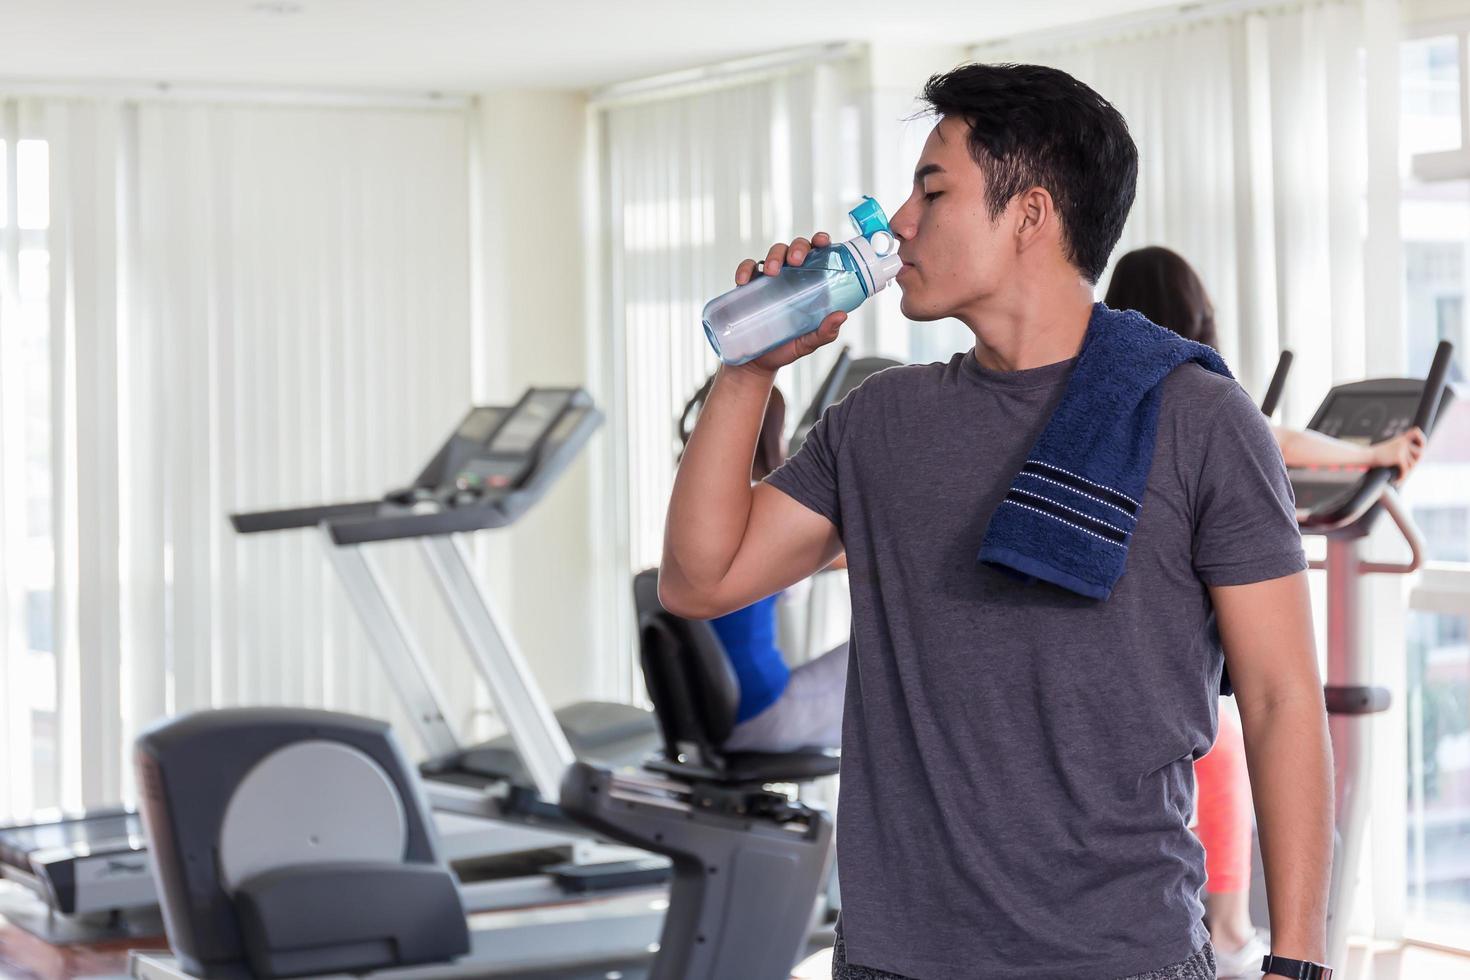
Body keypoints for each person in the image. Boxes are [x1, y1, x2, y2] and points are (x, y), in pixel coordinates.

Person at [663, 62, 1335, 980]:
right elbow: (700, 581)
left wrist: (1299, 961)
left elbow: (1280, 696)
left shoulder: (1197, 420)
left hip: (1119, 956)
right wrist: (750, 369)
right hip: (896, 960)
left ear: (1031, 214)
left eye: (932, 190)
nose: (901, 221)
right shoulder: (882, 421)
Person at [1103, 244, 1426, 977]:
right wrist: (1370, 452)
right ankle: (1229, 928)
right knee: (1227, 733)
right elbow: (1274, 436)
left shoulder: (1105, 395)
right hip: (1169, 641)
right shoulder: (1190, 395)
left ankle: (1230, 927)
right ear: (1196, 316)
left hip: (1127, 632)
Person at [677, 379, 849, 753]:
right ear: (770, 435)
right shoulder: (760, 501)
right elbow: (807, 575)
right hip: (761, 713)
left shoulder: (690, 506)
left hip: (713, 715)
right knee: (889, 654)